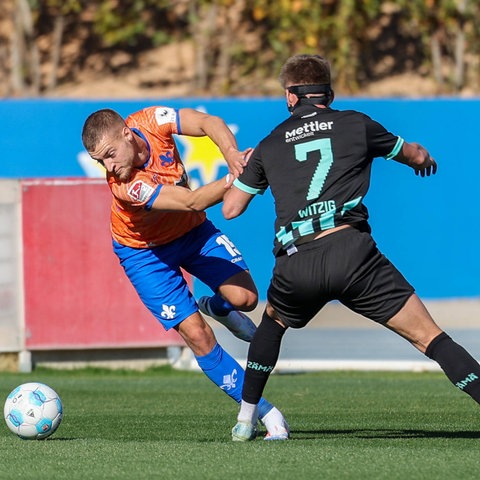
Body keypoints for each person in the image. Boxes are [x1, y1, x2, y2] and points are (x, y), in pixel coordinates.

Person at [222, 53, 480, 441]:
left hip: (297, 264)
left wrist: (243, 168)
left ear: (290, 96)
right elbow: (413, 154)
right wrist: (421, 158)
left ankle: (244, 421)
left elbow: (231, 208)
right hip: (353, 255)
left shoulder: (269, 144)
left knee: (272, 325)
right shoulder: (356, 124)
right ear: (328, 91)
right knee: (430, 337)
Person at [81, 106, 288, 440]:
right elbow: (192, 200)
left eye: (109, 155)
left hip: (192, 233)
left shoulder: (152, 120)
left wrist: (233, 155)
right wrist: (235, 176)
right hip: (144, 254)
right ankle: (265, 412)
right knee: (198, 335)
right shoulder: (126, 186)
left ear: (126, 133)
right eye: (100, 162)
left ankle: (218, 307)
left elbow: (209, 122)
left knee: (246, 298)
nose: (109, 167)